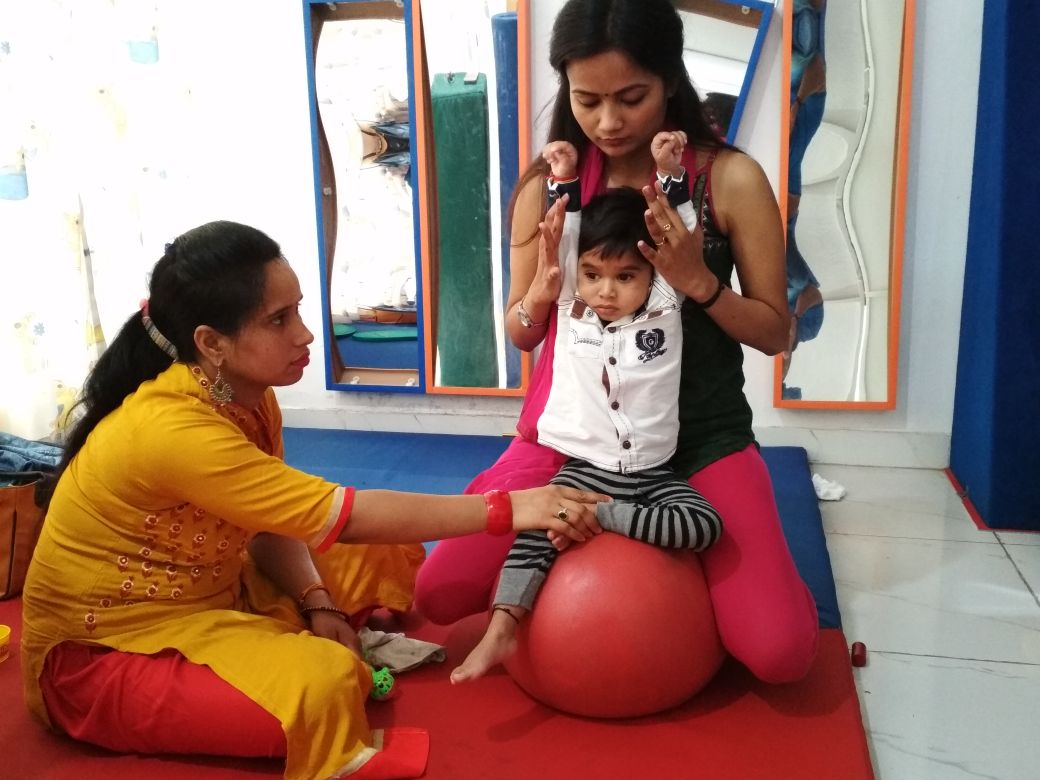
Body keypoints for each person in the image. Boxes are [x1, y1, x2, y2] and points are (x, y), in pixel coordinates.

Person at [19, 220, 607, 780]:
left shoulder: (248, 395)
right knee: (324, 684)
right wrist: (511, 508)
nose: (304, 334)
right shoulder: (170, 428)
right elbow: (346, 515)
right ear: (211, 343)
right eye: (279, 320)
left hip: (217, 584)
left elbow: (266, 523)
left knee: (383, 554)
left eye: (298, 310)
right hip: (103, 657)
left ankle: (289, 634)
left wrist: (317, 602)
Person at [414, 0, 820, 685]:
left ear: (669, 79)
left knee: (782, 654)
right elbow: (520, 332)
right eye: (587, 100)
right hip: (567, 436)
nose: (608, 123)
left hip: (700, 438)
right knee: (439, 595)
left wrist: (700, 284)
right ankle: (623, 536)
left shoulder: (728, 179)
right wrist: (539, 294)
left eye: (631, 98)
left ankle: (708, 572)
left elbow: (776, 332)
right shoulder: (549, 187)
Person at [450, 133, 723, 683]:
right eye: (595, 276)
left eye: (625, 277)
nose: (606, 292)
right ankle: (502, 627)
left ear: (650, 277)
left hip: (653, 474)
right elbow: (568, 239)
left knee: (704, 525)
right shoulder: (572, 306)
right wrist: (563, 182)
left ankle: (603, 519)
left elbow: (680, 237)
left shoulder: (664, 308)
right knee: (533, 537)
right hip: (582, 469)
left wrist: (670, 175)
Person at [783, 0, 828, 398]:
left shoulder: (760, 325)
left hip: (775, 203)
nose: (780, 358)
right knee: (806, 41)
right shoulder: (809, 325)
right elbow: (811, 289)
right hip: (805, 97)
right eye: (785, 360)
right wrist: (794, 322)